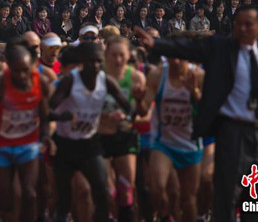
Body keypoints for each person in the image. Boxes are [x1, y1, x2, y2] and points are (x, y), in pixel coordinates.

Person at [133, 5, 258, 221]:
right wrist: (156, 44)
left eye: (247, 24)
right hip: (231, 131)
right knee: (228, 194)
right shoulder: (221, 48)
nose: (241, 28)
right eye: (238, 24)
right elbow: (188, 47)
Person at [49, 42, 146, 222]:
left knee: (102, 192)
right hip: (65, 145)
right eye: (91, 61)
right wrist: (62, 116)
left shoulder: (105, 80)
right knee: (64, 200)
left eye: (99, 62)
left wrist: (128, 115)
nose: (95, 66)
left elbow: (129, 107)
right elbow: (49, 110)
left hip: (89, 144)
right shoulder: (70, 81)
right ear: (82, 62)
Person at [0, 38, 54, 222]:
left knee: (29, 194)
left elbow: (45, 114)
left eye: (25, 70)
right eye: (16, 71)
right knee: (6, 199)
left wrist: (46, 135)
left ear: (31, 66)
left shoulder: (41, 83)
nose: (22, 75)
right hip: (0, 147)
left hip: (27, 145)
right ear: (8, 67)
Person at [145, 37, 204, 222]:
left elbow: (208, 111)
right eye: (171, 57)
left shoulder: (199, 76)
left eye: (180, 57)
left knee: (187, 200)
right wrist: (139, 100)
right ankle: (163, 216)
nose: (176, 61)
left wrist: (194, 93)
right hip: (163, 142)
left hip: (190, 144)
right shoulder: (157, 75)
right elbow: (142, 108)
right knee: (158, 190)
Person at [99, 36, 147, 222]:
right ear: (106, 55)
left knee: (126, 192)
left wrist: (140, 101)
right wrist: (106, 117)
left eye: (121, 55)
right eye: (113, 55)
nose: (117, 60)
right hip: (101, 136)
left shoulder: (136, 77)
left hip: (125, 137)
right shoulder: (98, 76)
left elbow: (142, 112)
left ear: (128, 55)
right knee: (106, 189)